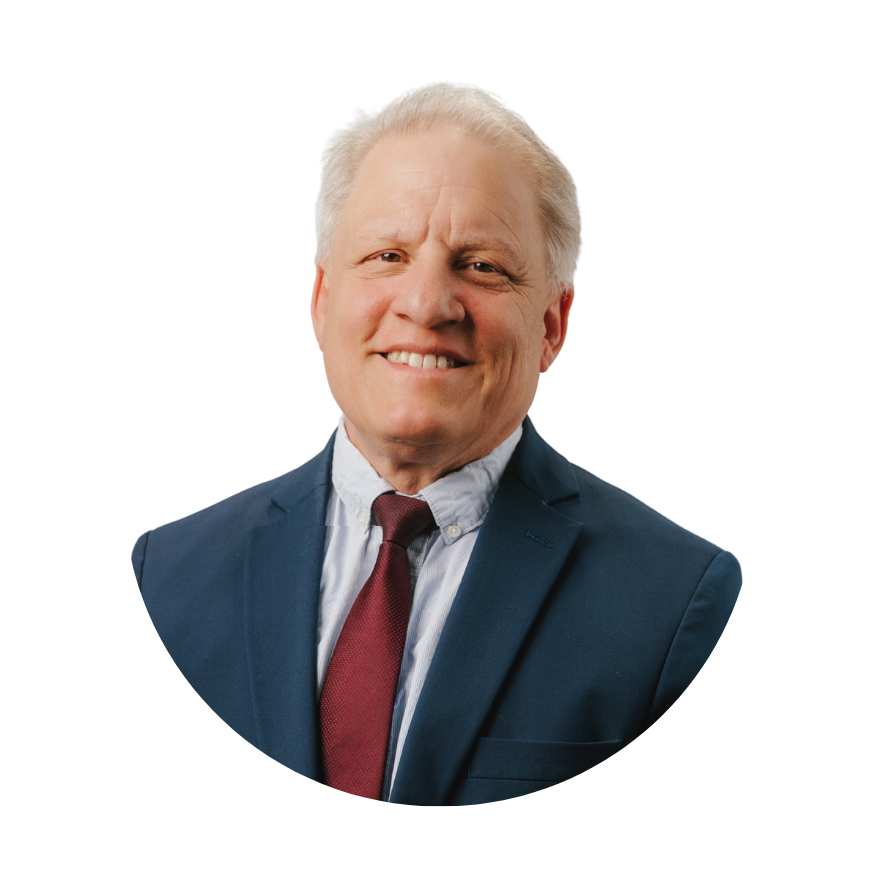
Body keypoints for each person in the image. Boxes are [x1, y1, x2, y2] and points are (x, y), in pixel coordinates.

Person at [132, 81, 741, 805]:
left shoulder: (680, 607)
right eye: (387, 255)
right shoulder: (158, 583)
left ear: (551, 323)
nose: (424, 304)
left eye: (481, 265)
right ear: (323, 302)